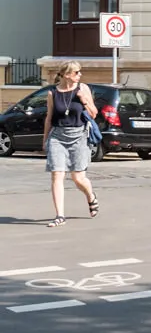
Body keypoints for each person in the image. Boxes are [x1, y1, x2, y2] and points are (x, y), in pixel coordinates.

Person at [42, 61, 99, 227]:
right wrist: (45, 140)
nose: (80, 75)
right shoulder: (53, 93)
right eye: (76, 72)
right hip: (57, 137)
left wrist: (84, 100)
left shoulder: (83, 88)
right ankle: (60, 216)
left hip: (79, 136)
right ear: (66, 75)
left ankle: (90, 196)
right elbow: (49, 118)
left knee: (78, 178)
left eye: (79, 72)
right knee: (57, 174)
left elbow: (94, 114)